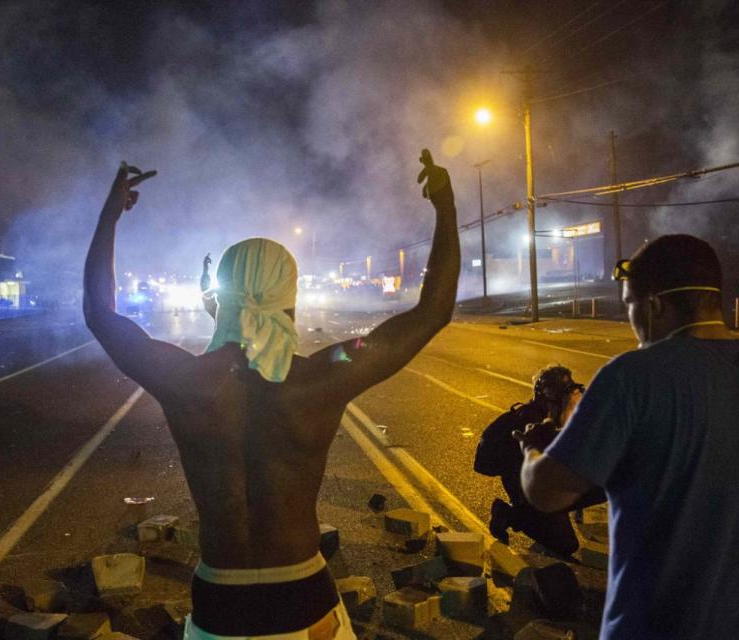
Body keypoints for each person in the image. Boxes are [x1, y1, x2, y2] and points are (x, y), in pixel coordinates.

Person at [83, 158, 459, 638]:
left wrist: (110, 214)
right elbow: (432, 312)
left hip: (220, 598)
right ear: (289, 295)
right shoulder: (323, 377)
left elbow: (100, 314)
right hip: (302, 593)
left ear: (225, 299)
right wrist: (445, 205)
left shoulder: (186, 381)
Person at [517, 234, 739, 639]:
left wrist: (531, 449)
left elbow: (547, 493)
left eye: (630, 306)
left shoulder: (632, 377)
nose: (631, 321)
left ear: (654, 305)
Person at [474, 365, 590, 556]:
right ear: (550, 398)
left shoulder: (550, 416)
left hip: (544, 480)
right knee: (566, 545)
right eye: (565, 398)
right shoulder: (533, 422)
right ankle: (509, 514)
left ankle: (545, 515)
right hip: (528, 488)